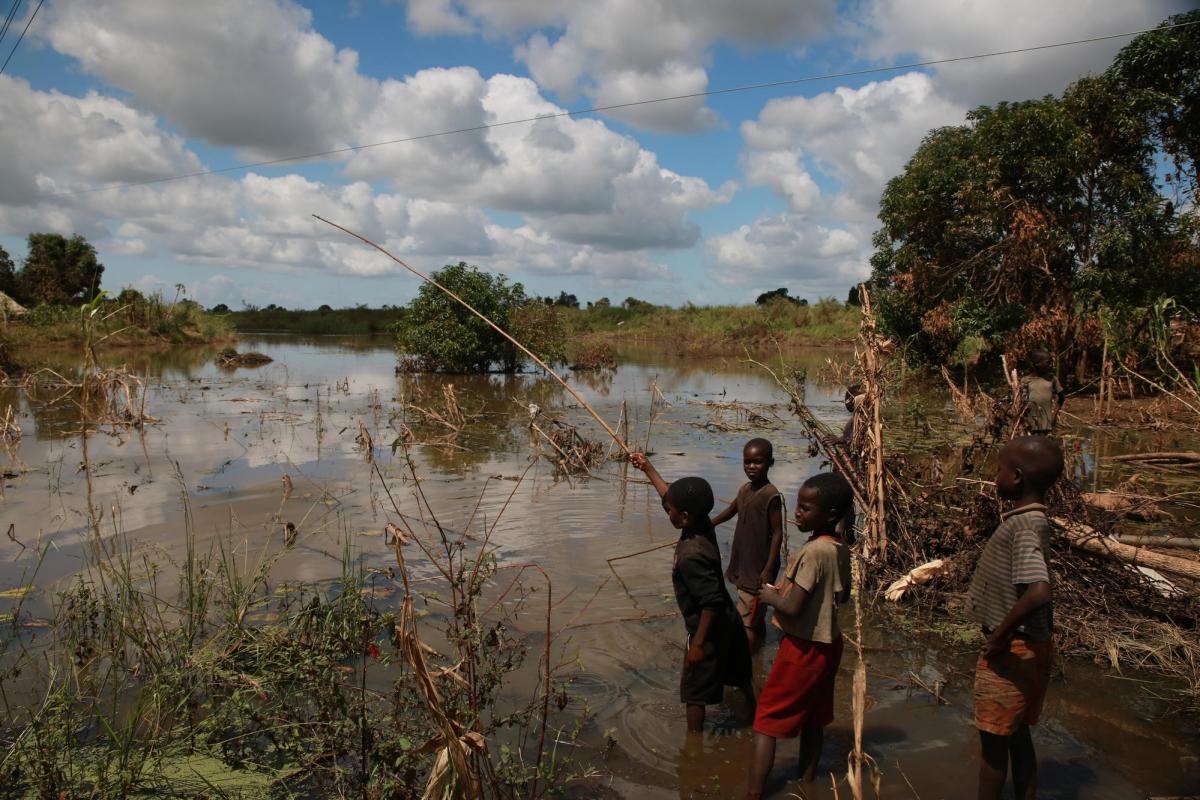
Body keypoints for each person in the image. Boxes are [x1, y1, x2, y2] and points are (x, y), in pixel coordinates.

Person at [745, 472, 853, 798]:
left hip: (803, 649)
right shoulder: (838, 547)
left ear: (830, 515)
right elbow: (843, 595)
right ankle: (808, 783)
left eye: (806, 508)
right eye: (798, 505)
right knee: (814, 719)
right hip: (829, 644)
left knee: (766, 720)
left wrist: (769, 596)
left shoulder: (814, 552)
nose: (798, 513)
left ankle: (753, 794)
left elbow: (791, 607)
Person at [630, 453, 755, 733]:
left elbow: (708, 603)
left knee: (694, 695)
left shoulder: (690, 555)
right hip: (730, 620)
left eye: (671, 510)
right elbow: (669, 496)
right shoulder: (703, 525)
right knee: (740, 675)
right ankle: (755, 714)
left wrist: (697, 645)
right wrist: (648, 468)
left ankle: (693, 748)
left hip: (708, 630)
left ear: (683, 517)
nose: (668, 511)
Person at [967, 435, 1063, 800]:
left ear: (1017, 476)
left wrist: (1000, 635)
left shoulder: (1024, 527)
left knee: (993, 743)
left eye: (1000, 470)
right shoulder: (1031, 520)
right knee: (1018, 733)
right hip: (1030, 645)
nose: (996, 477)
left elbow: (1039, 590)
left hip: (1013, 650)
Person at [711, 438, 784, 653]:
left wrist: (769, 569)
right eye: (747, 462)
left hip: (759, 563)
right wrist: (711, 523)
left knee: (750, 614)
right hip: (744, 558)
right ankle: (757, 647)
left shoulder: (771, 495)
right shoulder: (745, 489)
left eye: (758, 462)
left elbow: (778, 533)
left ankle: (749, 656)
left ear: (770, 463)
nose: (751, 467)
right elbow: (732, 509)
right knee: (753, 610)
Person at [1019, 350, 1064, 435]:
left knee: (1045, 445)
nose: (1051, 365)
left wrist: (1054, 414)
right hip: (1030, 424)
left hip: (1047, 423)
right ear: (1037, 364)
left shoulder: (1052, 379)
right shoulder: (1025, 380)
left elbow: (1062, 397)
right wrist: (1022, 422)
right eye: (1048, 362)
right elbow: (1022, 402)